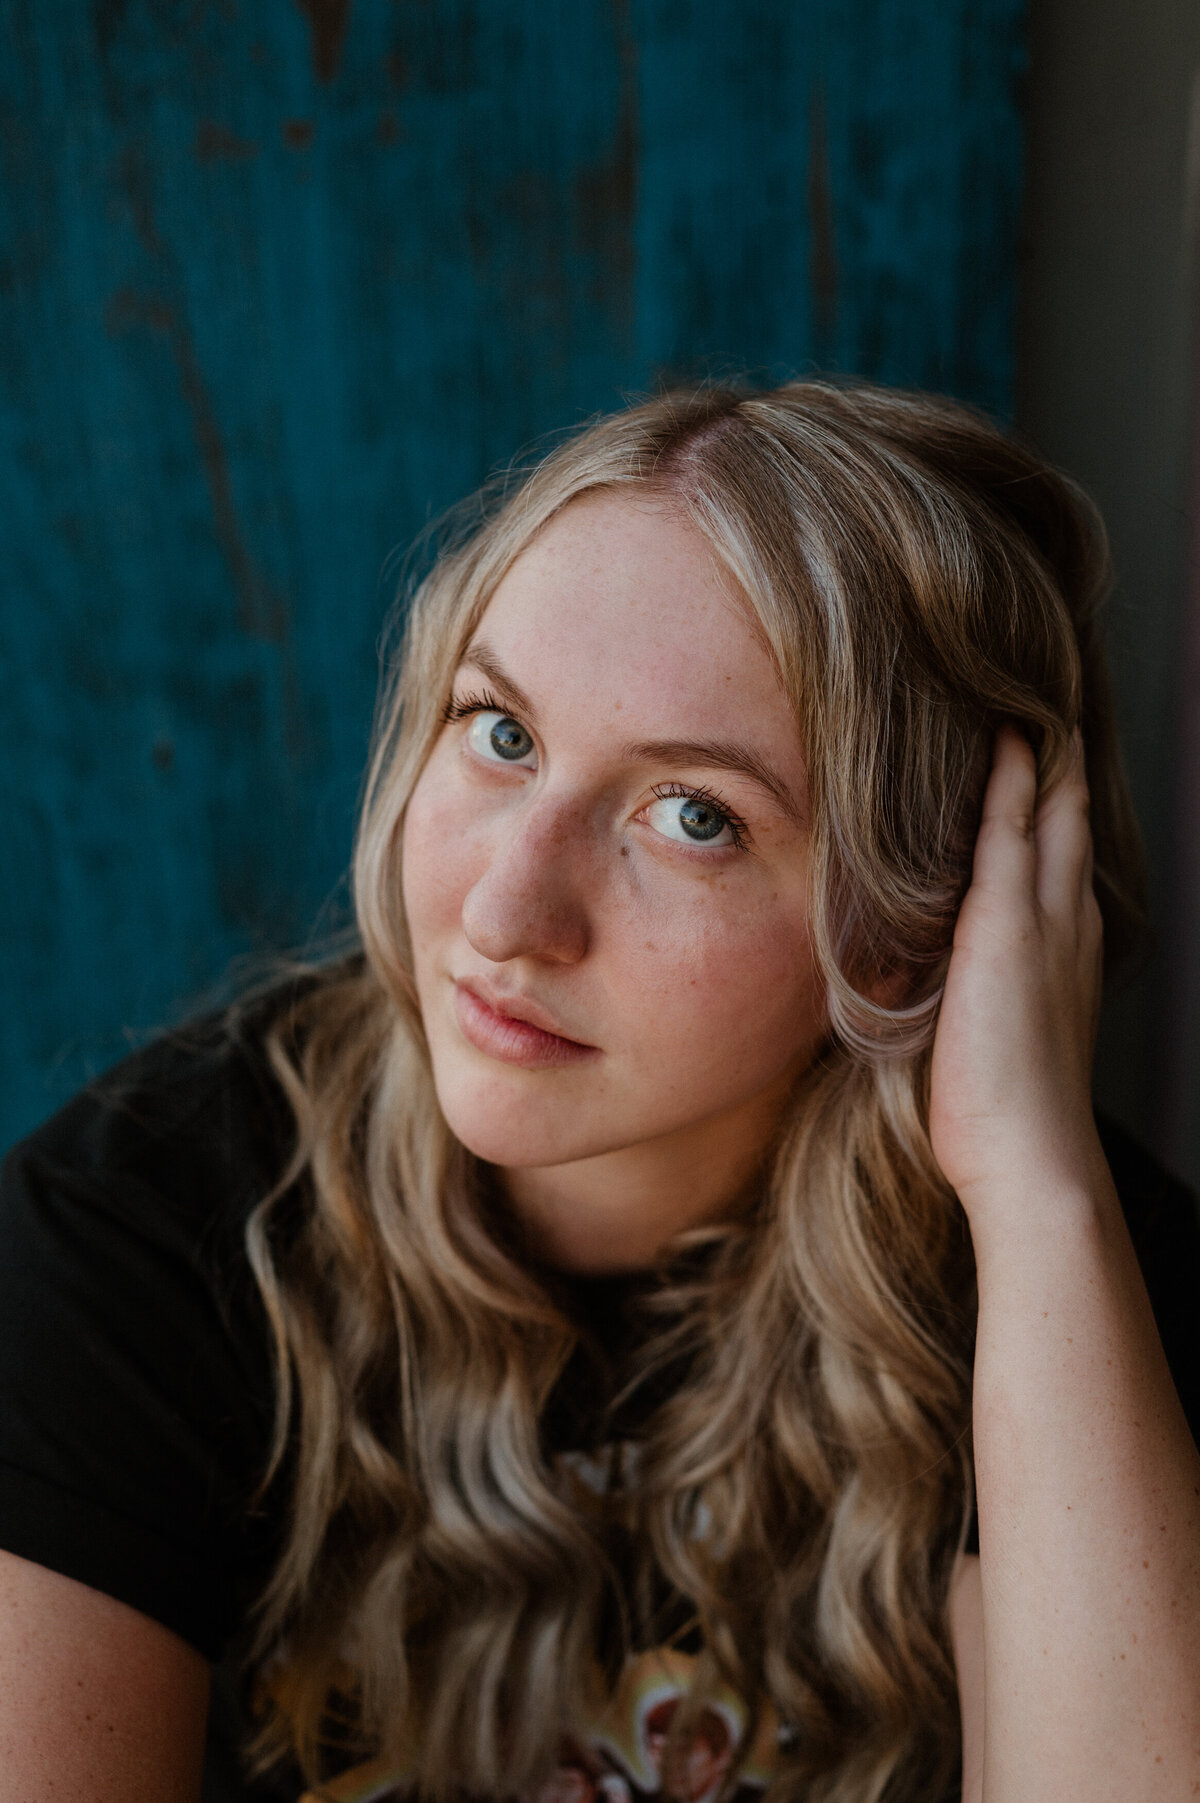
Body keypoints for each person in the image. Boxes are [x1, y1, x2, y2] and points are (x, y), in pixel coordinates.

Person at [0, 380, 1197, 1803]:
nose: (508, 913)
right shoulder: (143, 1236)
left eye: (695, 817)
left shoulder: (1075, 1289)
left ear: (924, 919)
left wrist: (1036, 1192)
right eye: (498, 731)